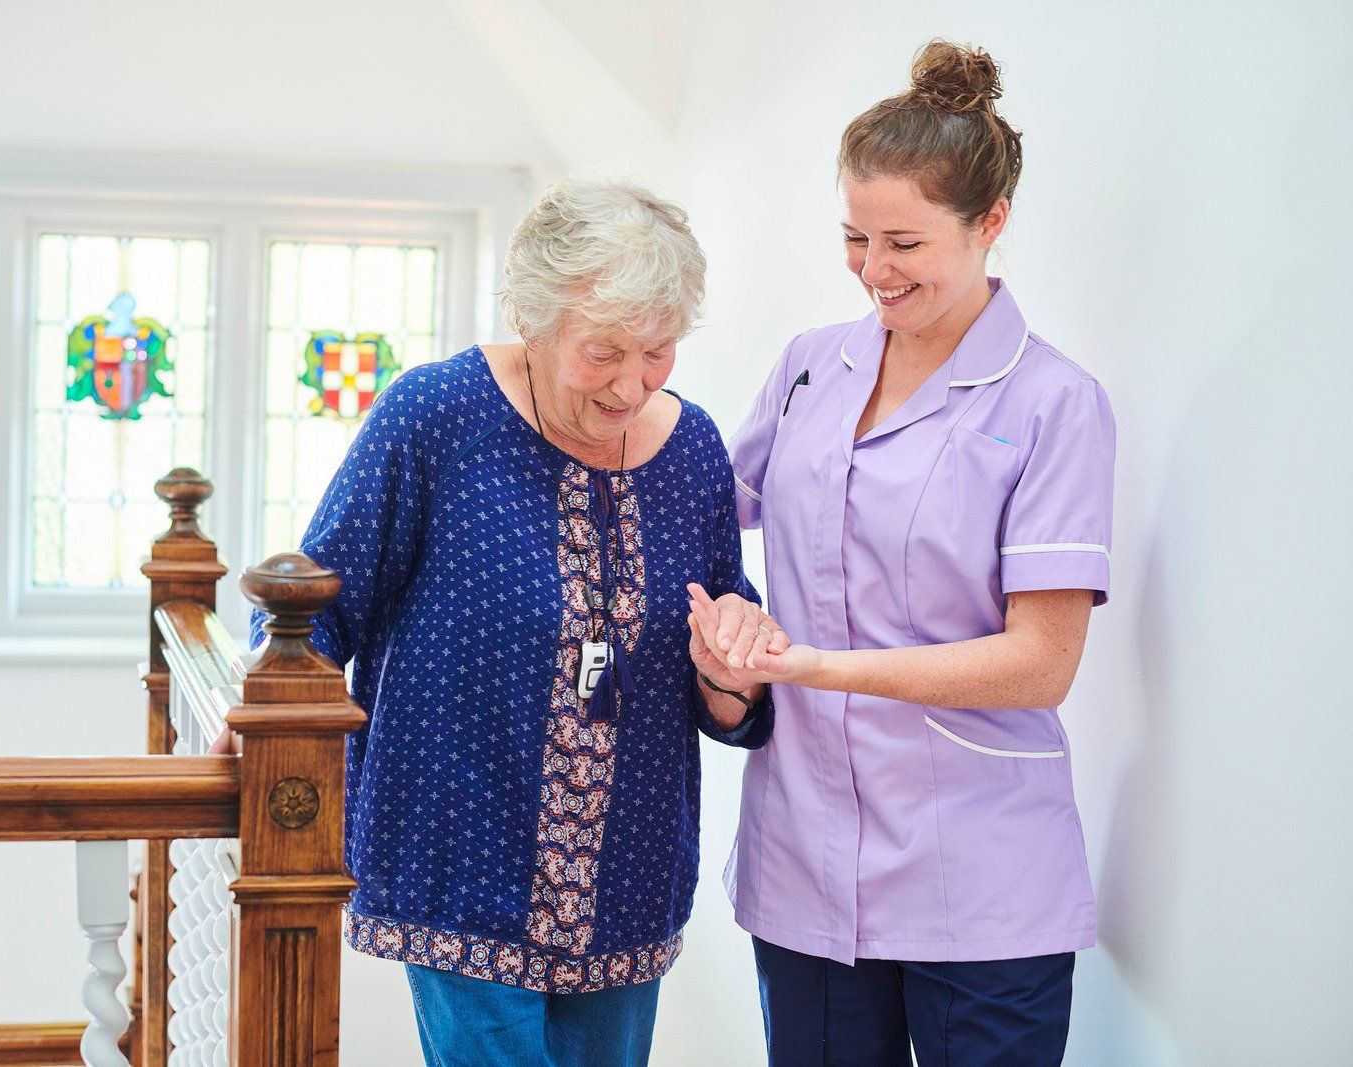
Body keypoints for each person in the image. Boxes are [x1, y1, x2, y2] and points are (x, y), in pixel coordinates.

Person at [233, 176, 778, 1067]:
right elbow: (317, 616)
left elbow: (723, 660)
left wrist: (731, 675)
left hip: (627, 876)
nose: (633, 384)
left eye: (659, 351)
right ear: (535, 317)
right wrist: (265, 732)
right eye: (604, 350)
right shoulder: (437, 416)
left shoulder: (694, 453)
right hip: (458, 854)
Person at [689, 41, 1116, 1066]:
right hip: (805, 861)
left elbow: (1039, 662)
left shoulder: (1053, 402)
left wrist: (810, 667)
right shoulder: (808, 369)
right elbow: (699, 511)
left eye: (904, 242)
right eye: (854, 237)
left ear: (991, 224)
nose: (874, 270)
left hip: (979, 878)